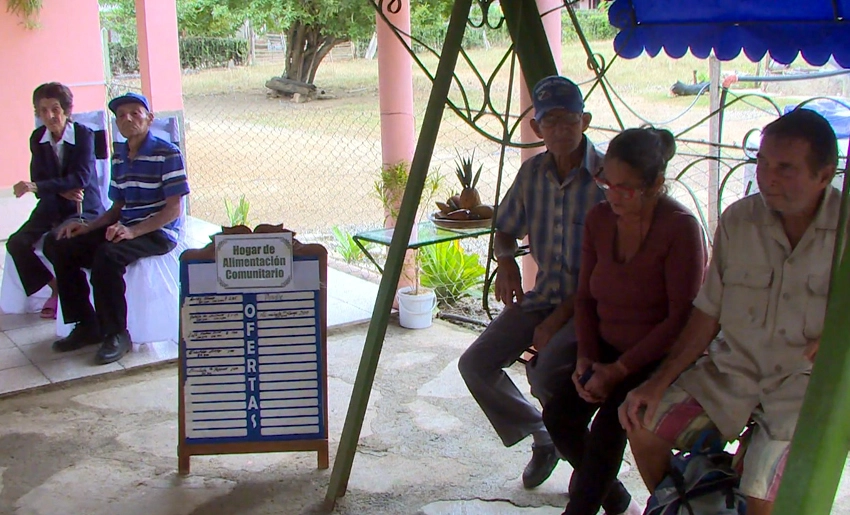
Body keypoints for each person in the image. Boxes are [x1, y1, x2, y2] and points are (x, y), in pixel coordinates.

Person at [619, 108, 842, 515]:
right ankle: (688, 504)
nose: (768, 177)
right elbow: (707, 313)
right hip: (731, 375)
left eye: (785, 168)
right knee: (642, 422)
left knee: (762, 498)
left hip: (800, 390)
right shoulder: (740, 220)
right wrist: (658, 382)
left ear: (824, 175)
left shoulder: (845, 230)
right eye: (762, 162)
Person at [542, 127, 707, 515]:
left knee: (611, 424)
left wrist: (619, 371)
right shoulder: (600, 219)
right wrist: (586, 358)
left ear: (656, 185)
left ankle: (582, 507)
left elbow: (680, 319)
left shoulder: (680, 228)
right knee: (560, 415)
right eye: (607, 184)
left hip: (658, 354)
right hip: (606, 346)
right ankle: (614, 497)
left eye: (626, 189)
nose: (613, 196)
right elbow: (585, 297)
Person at [458, 75, 608, 490]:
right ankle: (546, 437)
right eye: (550, 122)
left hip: (592, 305)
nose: (560, 131)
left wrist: (558, 320)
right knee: (475, 364)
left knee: (545, 374)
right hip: (544, 297)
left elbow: (609, 271)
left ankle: (584, 459)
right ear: (537, 128)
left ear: (585, 121)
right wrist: (506, 260)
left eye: (568, 120)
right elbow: (505, 228)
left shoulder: (606, 177)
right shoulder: (532, 173)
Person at [44, 92, 190, 365]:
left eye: (135, 113)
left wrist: (134, 232)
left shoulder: (167, 153)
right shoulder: (120, 156)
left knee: (107, 256)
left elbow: (173, 210)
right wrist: (88, 227)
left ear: (149, 118)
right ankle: (87, 324)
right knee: (59, 245)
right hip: (125, 226)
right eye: (121, 115)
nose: (128, 119)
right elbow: (117, 207)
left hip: (159, 232)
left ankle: (116, 334)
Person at [7, 82, 103, 319]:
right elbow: (38, 181)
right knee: (16, 243)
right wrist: (59, 190)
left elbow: (81, 178)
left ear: (67, 110)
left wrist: (44, 186)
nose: (49, 116)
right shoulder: (37, 138)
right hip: (51, 205)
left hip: (82, 206)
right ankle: (56, 288)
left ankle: (76, 306)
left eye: (55, 109)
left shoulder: (83, 135)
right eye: (43, 110)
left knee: (56, 241)